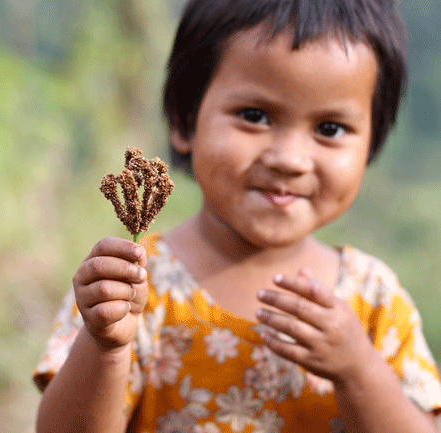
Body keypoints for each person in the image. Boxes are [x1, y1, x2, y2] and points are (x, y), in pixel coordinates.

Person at [33, 0, 441, 432]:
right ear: (186, 119)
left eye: (330, 128)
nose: (290, 159)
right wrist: (107, 348)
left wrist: (359, 370)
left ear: (372, 142)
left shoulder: (373, 302)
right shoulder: (134, 285)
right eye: (254, 116)